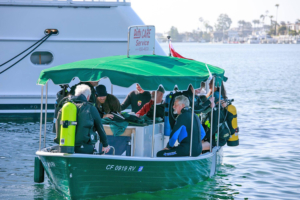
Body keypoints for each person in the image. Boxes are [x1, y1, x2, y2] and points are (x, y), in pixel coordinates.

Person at [72, 84, 110, 154]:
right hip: (84, 148)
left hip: (65, 146)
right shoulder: (90, 108)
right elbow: (100, 127)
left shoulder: (67, 106)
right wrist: (105, 144)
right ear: (88, 97)